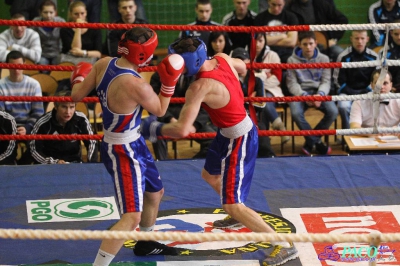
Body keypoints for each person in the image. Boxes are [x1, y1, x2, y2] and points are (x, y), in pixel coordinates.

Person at [141, 36, 298, 265]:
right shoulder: (222, 57)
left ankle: (283, 244)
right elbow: (243, 67)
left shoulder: (198, 87)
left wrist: (152, 128)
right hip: (226, 132)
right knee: (210, 175)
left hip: (239, 137)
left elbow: (184, 128)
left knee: (232, 204)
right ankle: (237, 215)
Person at [71, 27, 184, 265]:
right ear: (145, 54)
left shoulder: (103, 63)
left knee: (155, 192)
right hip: (123, 150)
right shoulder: (136, 85)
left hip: (133, 141)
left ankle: (146, 243)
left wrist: (79, 76)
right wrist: (169, 82)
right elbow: (161, 110)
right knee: (131, 216)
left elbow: (76, 95)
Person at [286, 31, 338, 155]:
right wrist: (304, 96)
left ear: (316, 43)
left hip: (319, 92)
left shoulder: (324, 59)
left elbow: (326, 81)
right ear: (299, 45)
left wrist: (320, 95)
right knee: (296, 113)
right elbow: (292, 84)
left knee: (333, 111)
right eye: (305, 44)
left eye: (310, 43)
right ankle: (317, 142)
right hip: (301, 93)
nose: (308, 47)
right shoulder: (291, 60)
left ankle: (310, 142)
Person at [149, 72, 217, 160]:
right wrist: (170, 119)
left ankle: (191, 164)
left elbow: (206, 107)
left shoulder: (199, 77)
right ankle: (163, 165)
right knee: (157, 134)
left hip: (193, 120)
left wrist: (193, 125)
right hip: (168, 119)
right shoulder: (158, 76)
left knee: (213, 140)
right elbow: (154, 105)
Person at [29, 90, 98, 164]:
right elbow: (33, 149)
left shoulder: (80, 119)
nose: (68, 112)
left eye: (72, 107)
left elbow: (92, 142)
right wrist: (54, 162)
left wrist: (91, 164)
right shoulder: (43, 122)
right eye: (64, 107)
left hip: (74, 163)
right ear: (56, 106)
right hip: (50, 166)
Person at [231, 47, 277, 157]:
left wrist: (242, 101)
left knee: (264, 143)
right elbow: (230, 105)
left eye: (244, 61)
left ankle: (270, 164)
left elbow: (262, 105)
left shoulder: (257, 81)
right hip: (235, 120)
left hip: (254, 119)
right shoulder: (229, 81)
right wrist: (249, 99)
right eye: (238, 61)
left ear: (248, 62)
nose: (242, 64)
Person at [333, 30, 378, 130]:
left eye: (362, 38)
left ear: (367, 39)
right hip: (347, 93)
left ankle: (368, 134)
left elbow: (377, 79)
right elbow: (338, 80)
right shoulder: (343, 56)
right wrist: (352, 93)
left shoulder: (374, 57)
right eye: (357, 38)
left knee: (377, 104)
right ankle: (347, 137)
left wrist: (366, 92)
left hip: (367, 92)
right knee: (343, 106)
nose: (359, 41)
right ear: (351, 39)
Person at [253, 33, 290, 144]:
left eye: (260, 40)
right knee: (260, 103)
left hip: (271, 91)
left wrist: (259, 80)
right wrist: (264, 75)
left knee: (265, 102)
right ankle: (277, 130)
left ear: (265, 41)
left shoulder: (273, 55)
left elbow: (277, 78)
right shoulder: (245, 55)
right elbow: (245, 78)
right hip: (252, 93)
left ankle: (268, 138)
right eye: (255, 41)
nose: (258, 44)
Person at [0, 51, 44, 136]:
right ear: (6, 65)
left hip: (30, 128)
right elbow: (0, 114)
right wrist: (11, 128)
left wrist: (27, 128)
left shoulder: (34, 84)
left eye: (19, 65)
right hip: (6, 129)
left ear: (24, 64)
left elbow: (38, 113)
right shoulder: (1, 85)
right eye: (13, 66)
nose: (16, 70)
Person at [32, 0, 66, 66]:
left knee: (58, 67)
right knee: (42, 65)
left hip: (57, 53)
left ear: (55, 12)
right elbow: (31, 38)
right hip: (42, 54)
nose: (48, 15)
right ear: (40, 12)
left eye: (51, 12)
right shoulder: (35, 22)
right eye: (45, 12)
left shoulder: (61, 22)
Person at [384, 23, 400, 92]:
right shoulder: (384, 52)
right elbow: (379, 74)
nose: (399, 37)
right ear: (391, 33)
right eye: (396, 34)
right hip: (391, 90)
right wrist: (388, 87)